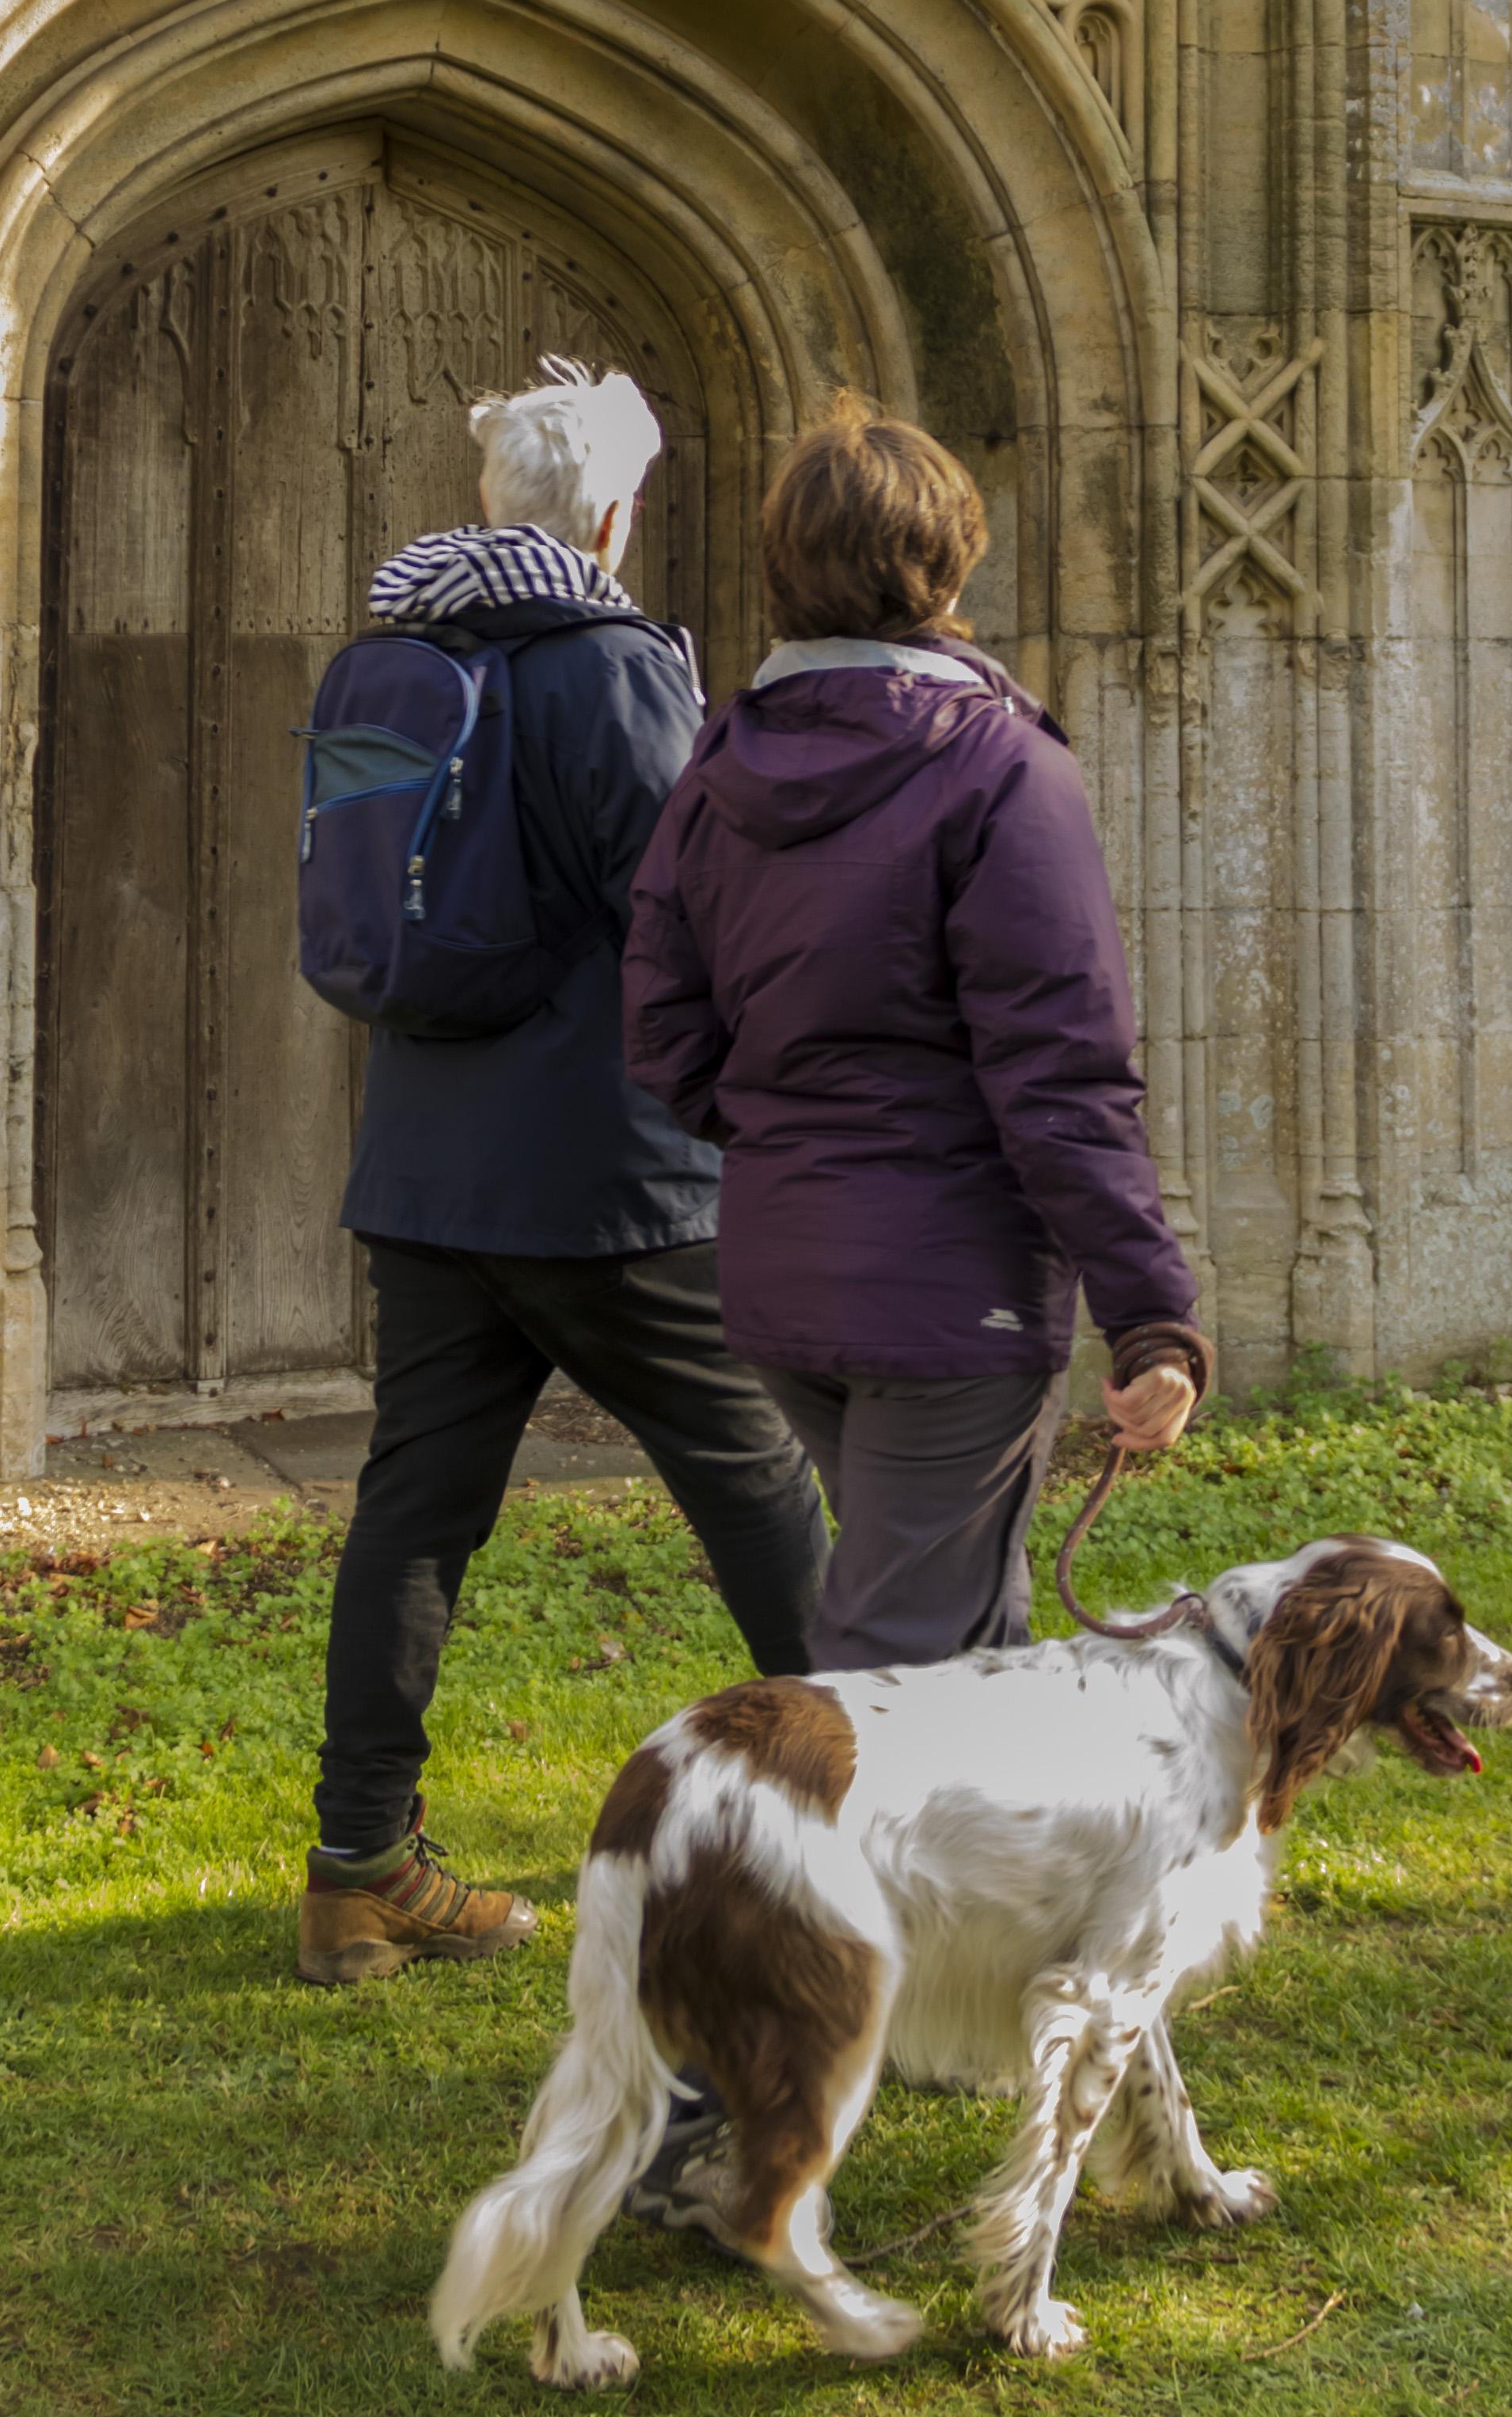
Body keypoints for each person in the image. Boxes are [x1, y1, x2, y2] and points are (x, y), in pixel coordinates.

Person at [298, 360, 831, 1991]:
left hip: (427, 1165)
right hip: (607, 1174)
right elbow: (693, 910)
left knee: (416, 1512)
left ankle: (357, 1874)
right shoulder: (606, 663)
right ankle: (911, 1830)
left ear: (492, 502)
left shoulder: (389, 653)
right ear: (610, 515)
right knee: (756, 1484)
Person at [623, 393, 1209, 1682]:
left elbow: (663, 1033)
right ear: (947, 561)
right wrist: (1155, 1317)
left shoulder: (719, 765)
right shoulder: (1002, 766)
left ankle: (992, 1883)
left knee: (961, 1636)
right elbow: (1062, 1079)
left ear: (782, 567)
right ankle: (797, 1885)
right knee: (894, 1669)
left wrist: (795, 1137)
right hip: (952, 1298)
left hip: (792, 1272)